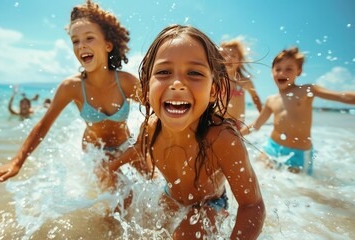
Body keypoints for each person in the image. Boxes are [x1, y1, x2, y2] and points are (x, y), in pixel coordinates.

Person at [103, 25, 265, 240]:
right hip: (170, 195)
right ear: (146, 86)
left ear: (213, 90)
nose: (177, 84)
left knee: (182, 236)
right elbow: (139, 150)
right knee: (132, 225)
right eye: (163, 72)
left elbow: (252, 205)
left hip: (211, 203)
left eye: (195, 73)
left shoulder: (222, 138)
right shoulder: (151, 126)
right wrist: (113, 165)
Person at [0, 0, 141, 194]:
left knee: (153, 181)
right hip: (96, 153)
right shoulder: (71, 87)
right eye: (75, 41)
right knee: (119, 198)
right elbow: (43, 126)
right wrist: (17, 161)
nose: (81, 46)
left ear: (107, 45)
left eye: (89, 38)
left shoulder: (127, 82)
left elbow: (158, 111)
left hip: (127, 145)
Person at [240, 47, 355, 175]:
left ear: (299, 71)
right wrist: (238, 134)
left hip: (299, 153)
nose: (282, 73)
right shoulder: (271, 100)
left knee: (300, 190)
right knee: (259, 178)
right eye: (278, 69)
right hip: (272, 147)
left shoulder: (307, 90)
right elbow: (256, 125)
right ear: (272, 72)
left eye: (289, 69)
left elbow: (341, 96)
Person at [220, 40, 262, 127]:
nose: (228, 58)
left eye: (233, 55)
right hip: (217, 122)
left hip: (236, 124)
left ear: (240, 61)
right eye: (224, 55)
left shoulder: (245, 82)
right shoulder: (216, 80)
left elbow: (255, 96)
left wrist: (261, 114)